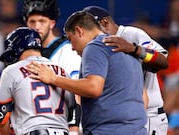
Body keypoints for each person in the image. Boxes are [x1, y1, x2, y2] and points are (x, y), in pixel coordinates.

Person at [27, 11, 147, 135]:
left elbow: (94, 88)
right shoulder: (125, 47)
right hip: (137, 129)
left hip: (107, 130)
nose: (72, 48)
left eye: (70, 39)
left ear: (79, 31)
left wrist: (53, 78)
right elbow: (144, 97)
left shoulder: (95, 46)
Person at [83, 6, 169, 135]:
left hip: (149, 116)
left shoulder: (131, 34)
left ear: (105, 23)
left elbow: (162, 61)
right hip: (124, 120)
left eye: (92, 29)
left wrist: (135, 49)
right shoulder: (97, 47)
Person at [0, 27, 77, 135]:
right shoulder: (62, 71)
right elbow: (74, 108)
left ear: (17, 48)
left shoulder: (11, 71)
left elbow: (0, 117)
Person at [22, 1, 82, 133]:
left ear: (52, 24)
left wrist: (73, 129)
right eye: (32, 22)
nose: (36, 26)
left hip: (65, 126)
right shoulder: (23, 55)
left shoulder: (67, 51)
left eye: (42, 21)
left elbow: (77, 93)